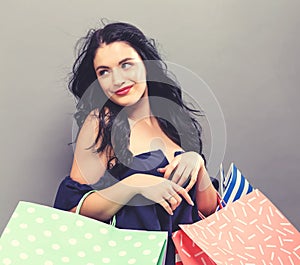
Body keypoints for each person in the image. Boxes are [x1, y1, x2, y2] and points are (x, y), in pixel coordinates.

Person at [54, 21, 218, 265]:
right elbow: (69, 213)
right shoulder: (100, 122)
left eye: (126, 65)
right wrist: (132, 186)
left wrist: (198, 165)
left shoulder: (171, 121)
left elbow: (209, 212)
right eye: (104, 72)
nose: (118, 80)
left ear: (146, 64)